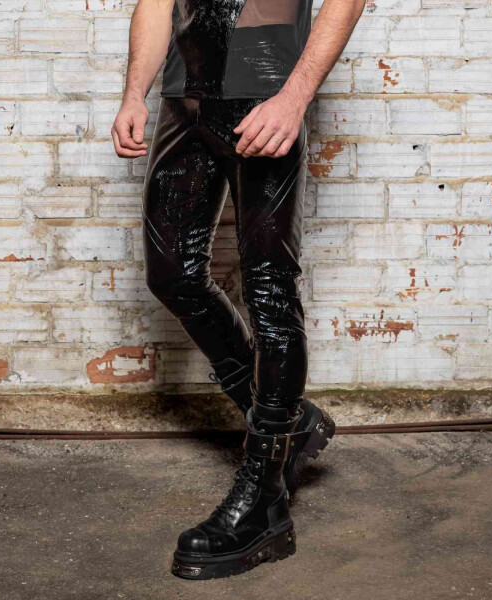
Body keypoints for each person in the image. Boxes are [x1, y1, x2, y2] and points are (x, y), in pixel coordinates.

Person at [112, 0, 365, 579]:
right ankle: (285, 419)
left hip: (266, 91)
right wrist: (134, 94)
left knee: (270, 291)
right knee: (172, 273)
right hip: (185, 96)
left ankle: (265, 499)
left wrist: (294, 98)